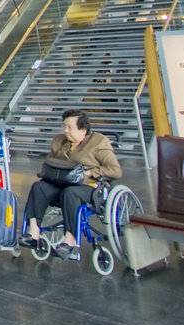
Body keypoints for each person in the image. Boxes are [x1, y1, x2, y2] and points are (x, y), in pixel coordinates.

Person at [21, 110, 122, 261]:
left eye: (69, 127)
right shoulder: (60, 141)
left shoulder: (98, 142)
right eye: (64, 126)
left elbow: (116, 171)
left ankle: (70, 240)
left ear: (83, 130)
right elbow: (50, 161)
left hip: (88, 186)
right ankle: (33, 233)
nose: (65, 130)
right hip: (61, 182)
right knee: (38, 187)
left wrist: (90, 172)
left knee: (70, 193)